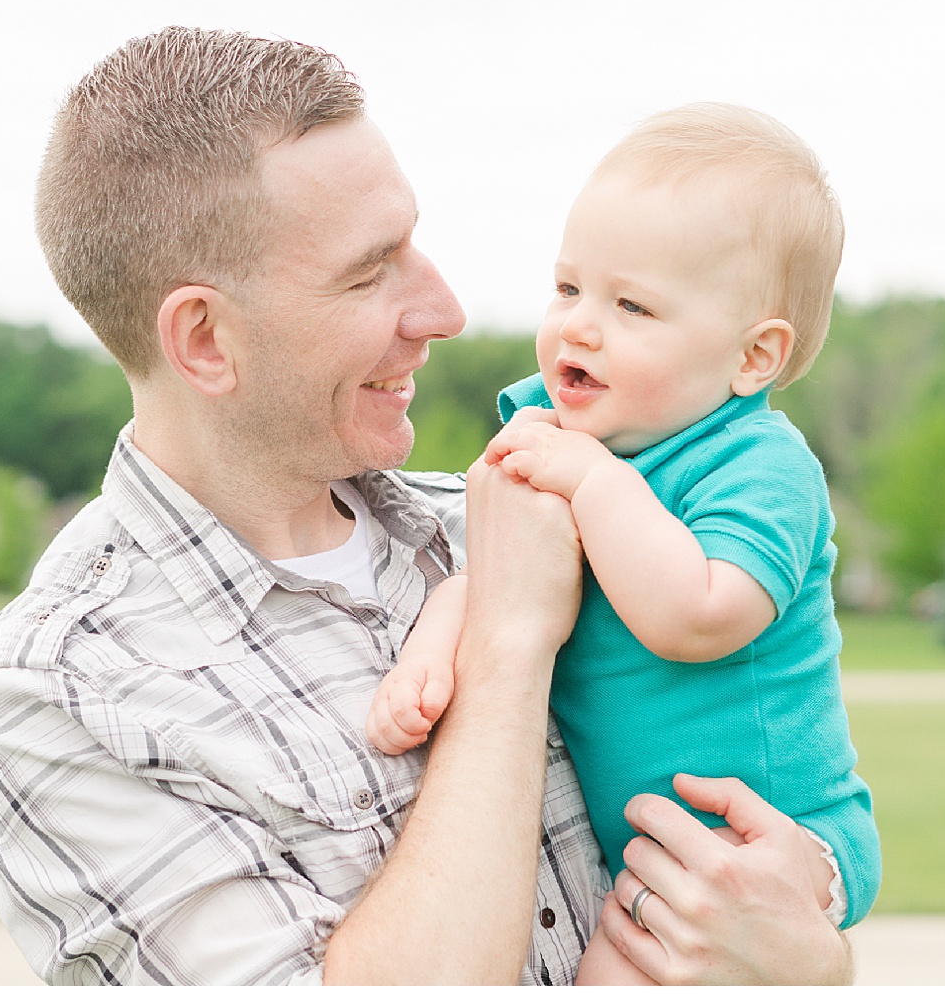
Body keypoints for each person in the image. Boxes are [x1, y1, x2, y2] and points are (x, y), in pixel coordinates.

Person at [0, 28, 854, 985]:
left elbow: (776, 888)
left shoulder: (515, 516)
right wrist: (504, 649)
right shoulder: (63, 695)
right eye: (371, 269)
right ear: (205, 339)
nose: (447, 310)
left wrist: (808, 952)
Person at [366, 104, 879, 983]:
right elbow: (508, 574)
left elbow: (698, 613)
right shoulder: (561, 435)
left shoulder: (757, 462)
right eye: (568, 288)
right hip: (638, 860)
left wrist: (596, 484)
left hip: (777, 837)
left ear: (752, 359)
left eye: (632, 304)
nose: (580, 326)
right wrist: (438, 635)